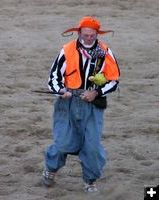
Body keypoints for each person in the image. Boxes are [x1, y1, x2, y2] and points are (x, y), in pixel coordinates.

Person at [42, 16, 120, 193]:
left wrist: (96, 92)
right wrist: (61, 91)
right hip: (67, 103)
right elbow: (53, 78)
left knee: (92, 146)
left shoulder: (106, 52)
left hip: (93, 104)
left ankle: (90, 181)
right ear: (78, 33)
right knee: (62, 143)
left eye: (92, 36)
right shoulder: (66, 50)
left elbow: (114, 80)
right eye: (85, 35)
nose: (88, 39)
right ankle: (51, 168)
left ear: (97, 34)